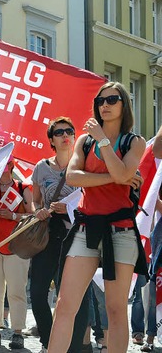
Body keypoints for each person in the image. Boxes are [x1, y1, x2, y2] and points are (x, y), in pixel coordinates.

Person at [49, 82, 147, 352]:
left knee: (115, 310)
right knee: (65, 304)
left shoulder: (134, 142)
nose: (105, 104)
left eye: (112, 99)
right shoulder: (84, 140)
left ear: (124, 104)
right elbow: (72, 176)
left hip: (121, 231)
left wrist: (105, 143)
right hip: (86, 228)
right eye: (100, 100)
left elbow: (119, 172)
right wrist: (120, 178)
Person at [30, 116, 91, 352]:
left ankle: (75, 347)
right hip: (47, 234)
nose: (65, 135)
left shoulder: (84, 165)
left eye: (69, 131)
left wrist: (70, 208)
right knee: (37, 293)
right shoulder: (41, 168)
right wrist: (40, 212)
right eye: (59, 132)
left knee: (75, 297)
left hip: (76, 233)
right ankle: (49, 342)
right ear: (51, 140)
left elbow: (93, 199)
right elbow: (34, 202)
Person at [0, 153, 34, 350]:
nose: (3, 167)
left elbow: (32, 216)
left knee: (17, 290)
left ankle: (18, 332)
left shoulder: (22, 187)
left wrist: (13, 215)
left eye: (6, 163)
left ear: (12, 165)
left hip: (15, 245)